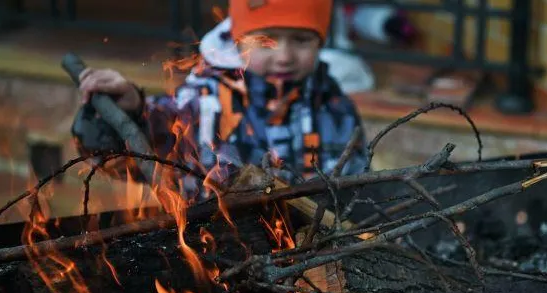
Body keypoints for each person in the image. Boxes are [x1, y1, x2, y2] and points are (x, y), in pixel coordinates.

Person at [72, 0, 367, 196]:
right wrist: (133, 110)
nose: (285, 56)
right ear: (238, 41)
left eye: (301, 40)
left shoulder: (335, 108)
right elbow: (155, 139)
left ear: (321, 42)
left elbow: (356, 189)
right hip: (216, 254)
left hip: (309, 264)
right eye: (267, 41)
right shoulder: (206, 97)